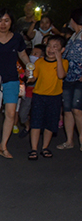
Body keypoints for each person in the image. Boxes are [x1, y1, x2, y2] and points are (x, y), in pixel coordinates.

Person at [0, 9, 32, 158]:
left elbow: (22, 54)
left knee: (11, 112)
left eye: (6, 20)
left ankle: (3, 145)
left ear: (11, 22)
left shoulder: (17, 38)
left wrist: (30, 67)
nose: (3, 24)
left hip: (11, 78)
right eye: (0, 20)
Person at [27, 35, 68, 159]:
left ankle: (45, 147)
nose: (51, 49)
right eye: (49, 46)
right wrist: (29, 75)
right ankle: (34, 149)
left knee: (51, 122)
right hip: (39, 95)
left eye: (56, 47)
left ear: (62, 50)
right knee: (36, 122)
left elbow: (61, 75)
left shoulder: (64, 62)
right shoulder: (39, 62)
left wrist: (59, 59)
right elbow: (33, 78)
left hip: (54, 97)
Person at [58, 9, 82, 151]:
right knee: (67, 110)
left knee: (77, 109)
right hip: (69, 77)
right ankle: (69, 140)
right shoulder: (74, 36)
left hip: (79, 79)